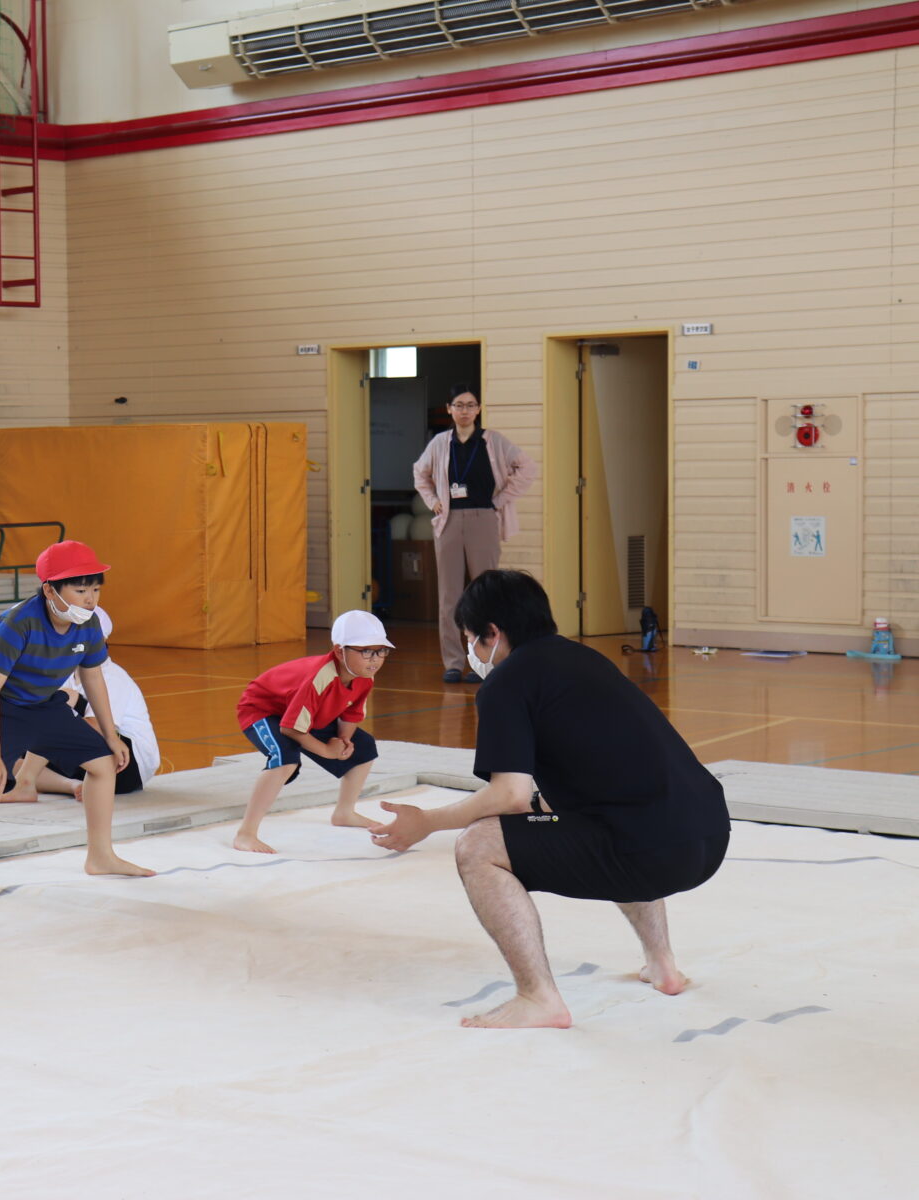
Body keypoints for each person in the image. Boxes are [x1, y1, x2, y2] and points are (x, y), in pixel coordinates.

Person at [368, 569, 731, 1029]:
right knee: (608, 816)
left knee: (478, 846)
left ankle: (537, 996)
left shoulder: (506, 682)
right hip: (710, 834)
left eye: (473, 641)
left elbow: (511, 795)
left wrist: (428, 821)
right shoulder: (585, 660)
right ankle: (663, 965)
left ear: (494, 633)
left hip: (653, 854)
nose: (473, 654)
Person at [0, 541, 154, 898]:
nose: (90, 599)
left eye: (95, 589)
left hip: (39, 700)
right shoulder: (18, 622)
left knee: (103, 763)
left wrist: (111, 735)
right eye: (80, 591)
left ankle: (101, 855)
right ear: (50, 589)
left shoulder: (88, 624)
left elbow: (93, 677)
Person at [232, 610, 391, 853]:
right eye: (366, 651)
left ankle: (345, 812)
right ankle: (246, 834)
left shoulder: (364, 676)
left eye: (381, 651)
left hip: (303, 715)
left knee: (364, 746)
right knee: (285, 759)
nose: (375, 659)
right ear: (339, 651)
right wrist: (327, 751)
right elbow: (290, 728)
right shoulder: (320, 677)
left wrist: (344, 740)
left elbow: (351, 713)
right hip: (263, 711)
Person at [412, 385, 538, 683]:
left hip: (484, 517)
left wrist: (500, 500)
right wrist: (433, 502)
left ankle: (486, 661)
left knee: (487, 593)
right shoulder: (441, 443)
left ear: (478, 409)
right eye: (459, 405)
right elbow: (420, 472)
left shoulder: (492, 442)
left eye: (470, 405)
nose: (465, 411)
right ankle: (454, 662)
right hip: (449, 520)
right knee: (449, 595)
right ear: (449, 409)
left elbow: (527, 468)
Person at [6, 606, 160, 802]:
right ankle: (71, 786)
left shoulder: (112, 675)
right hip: (88, 759)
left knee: (55, 708)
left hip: (127, 765)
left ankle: (25, 782)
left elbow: (98, 728)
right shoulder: (67, 674)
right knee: (9, 756)